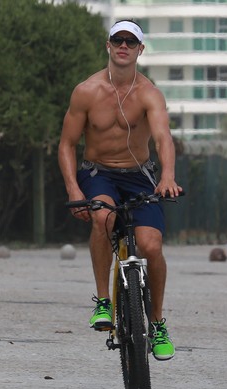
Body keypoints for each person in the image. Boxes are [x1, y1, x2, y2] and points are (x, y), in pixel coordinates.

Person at [58, 20, 182, 361]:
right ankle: (103, 301)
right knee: (103, 216)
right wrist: (72, 188)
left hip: (139, 175)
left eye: (131, 41)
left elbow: (162, 139)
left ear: (140, 49)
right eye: (117, 40)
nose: (123, 45)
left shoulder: (149, 94)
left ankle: (157, 323)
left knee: (150, 245)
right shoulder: (86, 91)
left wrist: (167, 176)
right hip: (99, 174)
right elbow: (67, 144)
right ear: (108, 45)